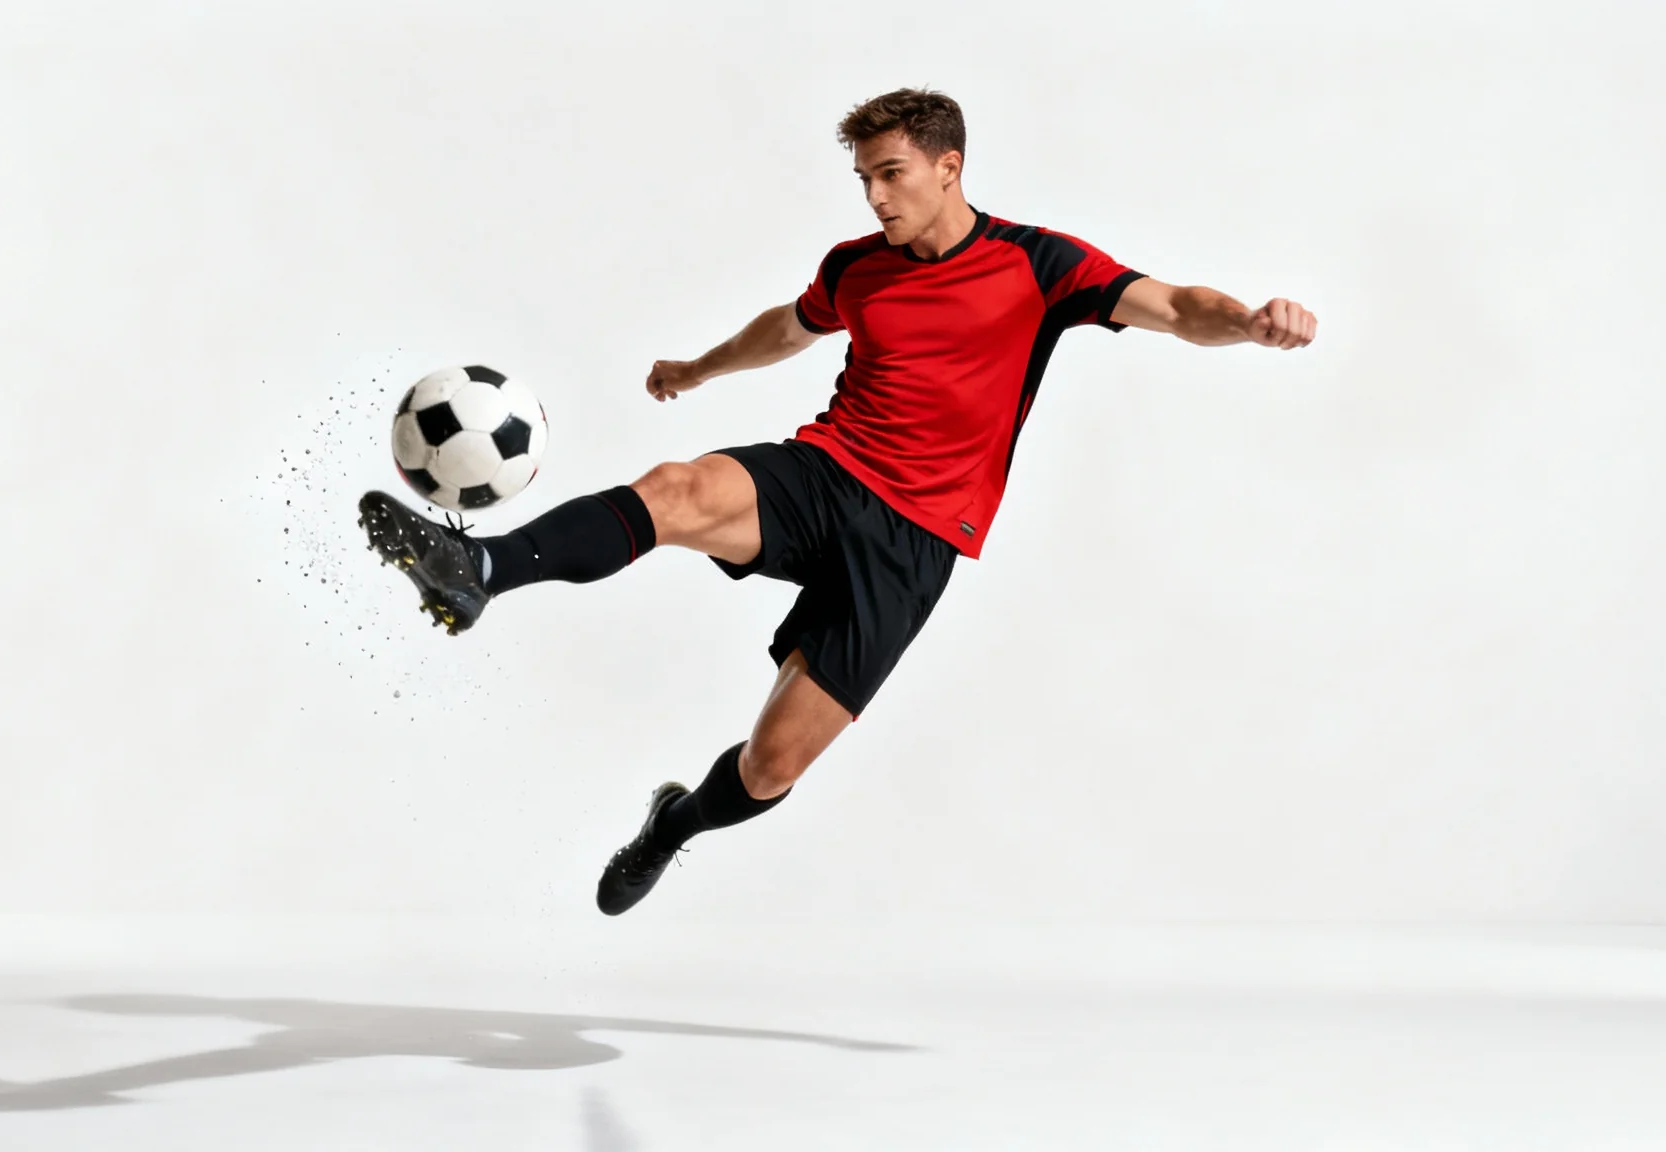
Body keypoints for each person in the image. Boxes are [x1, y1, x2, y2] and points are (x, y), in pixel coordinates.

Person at [357, 87, 1317, 916]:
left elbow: (1177, 306)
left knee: (772, 765)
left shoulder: (1039, 265)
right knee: (678, 490)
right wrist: (697, 367)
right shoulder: (859, 267)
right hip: (828, 470)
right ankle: (477, 566)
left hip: (917, 538)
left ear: (951, 167)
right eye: (864, 177)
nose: (875, 195)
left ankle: (672, 824)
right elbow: (789, 327)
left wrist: (1251, 321)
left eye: (892, 173)